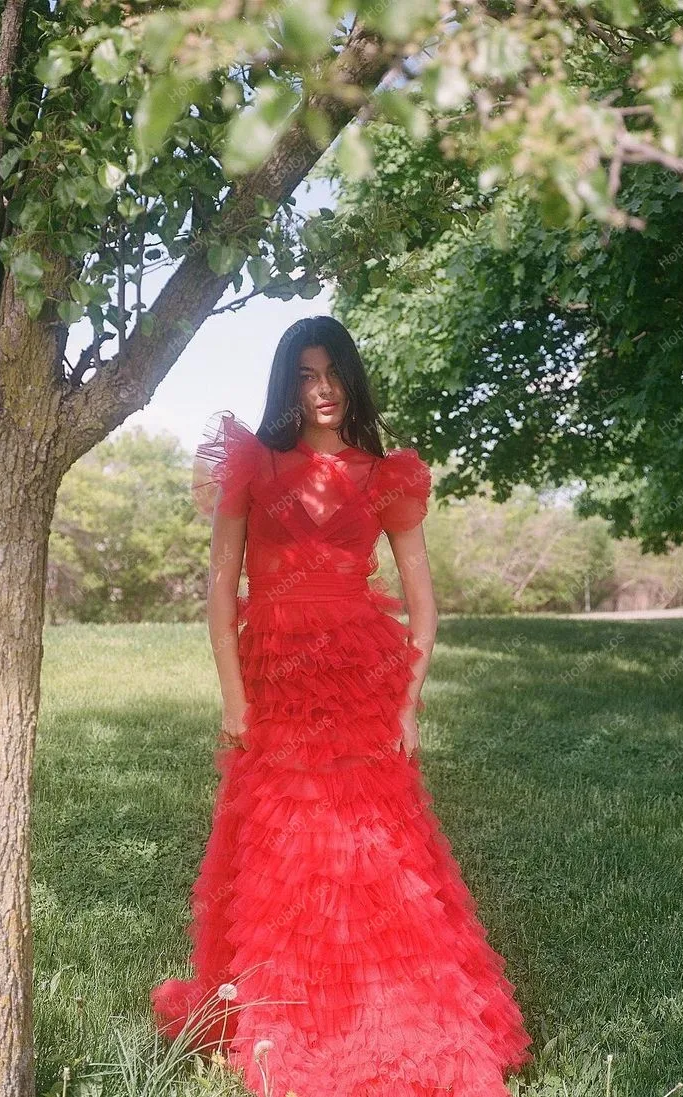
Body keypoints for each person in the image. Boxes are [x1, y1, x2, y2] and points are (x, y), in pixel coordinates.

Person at [151, 316, 533, 1096]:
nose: (321, 389)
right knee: (283, 846)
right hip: (276, 683)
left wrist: (410, 698)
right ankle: (282, 1012)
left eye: (333, 373)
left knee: (375, 849)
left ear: (351, 379)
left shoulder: (382, 474)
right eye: (304, 375)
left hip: (359, 683)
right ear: (287, 383)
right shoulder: (253, 467)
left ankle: (387, 1010)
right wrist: (233, 696)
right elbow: (221, 592)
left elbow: (422, 605)